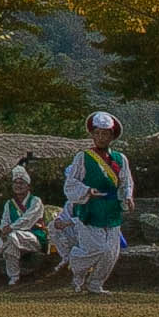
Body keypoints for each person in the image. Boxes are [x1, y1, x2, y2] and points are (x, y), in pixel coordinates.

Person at [60, 112, 135, 295]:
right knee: (95, 248)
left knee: (111, 252)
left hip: (111, 208)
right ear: (93, 135)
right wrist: (87, 190)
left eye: (105, 134)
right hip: (91, 208)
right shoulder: (83, 157)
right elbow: (71, 182)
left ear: (111, 136)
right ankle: (77, 270)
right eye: (98, 133)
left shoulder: (120, 158)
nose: (101, 138)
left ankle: (95, 284)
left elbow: (125, 182)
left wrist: (127, 197)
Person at [0, 161, 53, 285]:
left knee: (11, 236)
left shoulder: (36, 201)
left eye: (21, 183)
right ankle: (14, 276)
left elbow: (27, 220)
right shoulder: (9, 204)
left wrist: (10, 228)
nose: (18, 185)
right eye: (15, 183)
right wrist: (4, 228)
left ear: (28, 186)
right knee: (11, 243)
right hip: (15, 239)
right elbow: (4, 221)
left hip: (34, 237)